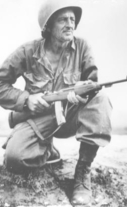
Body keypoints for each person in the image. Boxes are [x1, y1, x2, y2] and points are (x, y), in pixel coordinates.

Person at [0, 0, 112, 205]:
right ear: (48, 26)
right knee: (14, 160)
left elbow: (93, 86)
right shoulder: (28, 51)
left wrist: (81, 93)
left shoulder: (82, 47)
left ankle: (82, 174)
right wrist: (26, 100)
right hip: (38, 118)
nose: (70, 24)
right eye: (63, 20)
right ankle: (47, 151)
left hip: (70, 115)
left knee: (102, 100)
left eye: (72, 19)